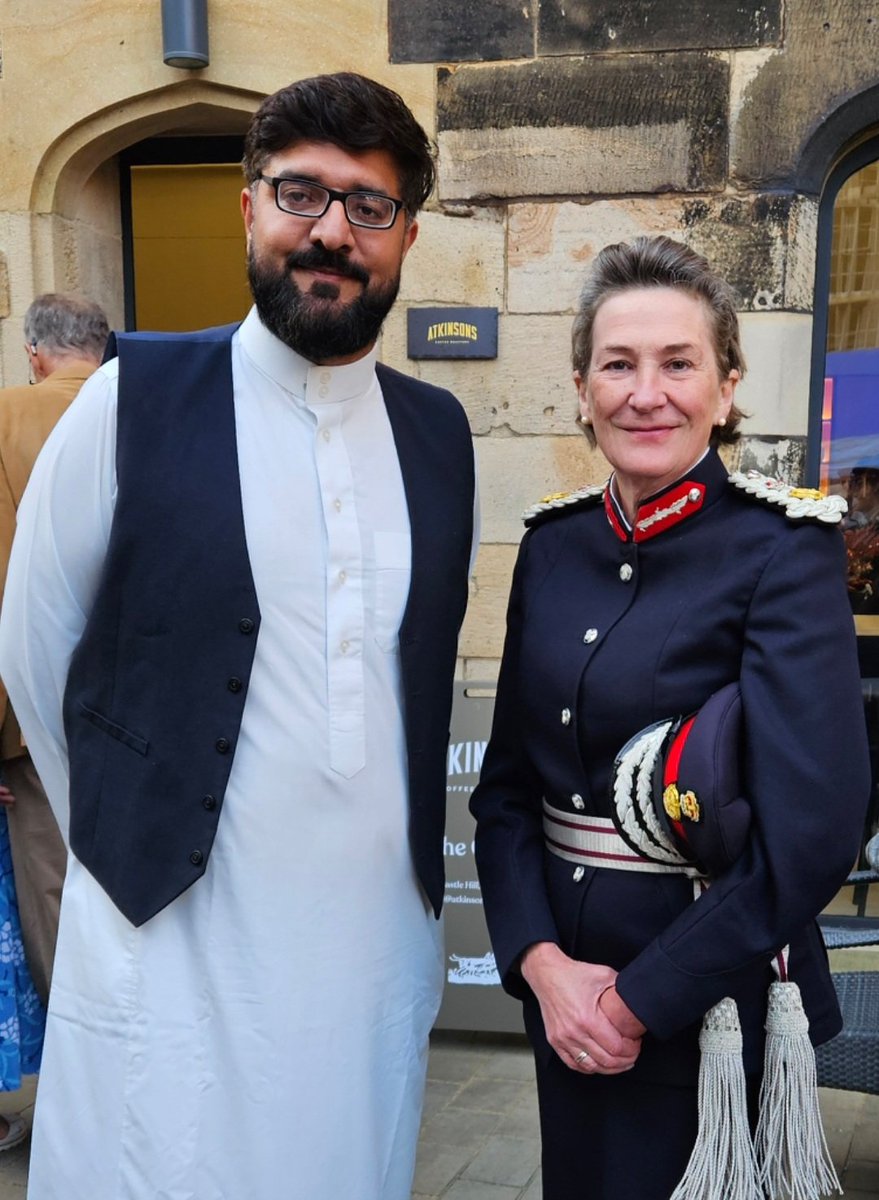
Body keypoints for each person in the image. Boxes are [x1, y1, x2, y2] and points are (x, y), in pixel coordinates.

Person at [0, 73, 476, 1200]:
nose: (331, 232)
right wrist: (134, 838)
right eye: (300, 193)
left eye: (370, 206)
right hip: (171, 944)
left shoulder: (439, 433)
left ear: (407, 232)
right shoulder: (130, 401)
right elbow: (37, 649)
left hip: (368, 952)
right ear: (248, 207)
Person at [470, 235, 869, 1200]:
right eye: (617, 364)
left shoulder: (784, 551)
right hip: (565, 994)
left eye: (678, 363)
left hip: (708, 995)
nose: (645, 393)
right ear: (580, 387)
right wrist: (542, 965)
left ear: (725, 388)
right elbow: (507, 796)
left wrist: (637, 1000)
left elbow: (811, 835)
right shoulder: (552, 546)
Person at [0, 293, 109, 1009]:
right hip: (145, 707)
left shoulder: (6, 416)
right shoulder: (153, 407)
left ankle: (85, 1089)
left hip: (32, 715)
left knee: (55, 896)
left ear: (35, 353)